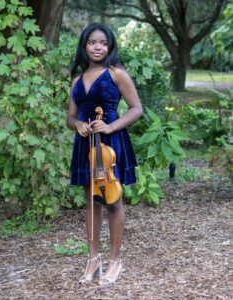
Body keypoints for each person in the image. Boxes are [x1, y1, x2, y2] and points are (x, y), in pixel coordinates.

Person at [66, 23, 142, 285]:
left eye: (103, 43)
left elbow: (136, 109)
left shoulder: (117, 74)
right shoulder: (77, 79)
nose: (97, 47)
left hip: (111, 143)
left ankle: (115, 260)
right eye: (92, 42)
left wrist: (110, 125)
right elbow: (71, 117)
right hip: (86, 146)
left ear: (109, 46)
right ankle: (93, 258)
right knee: (91, 200)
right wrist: (77, 125)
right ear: (84, 46)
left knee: (113, 200)